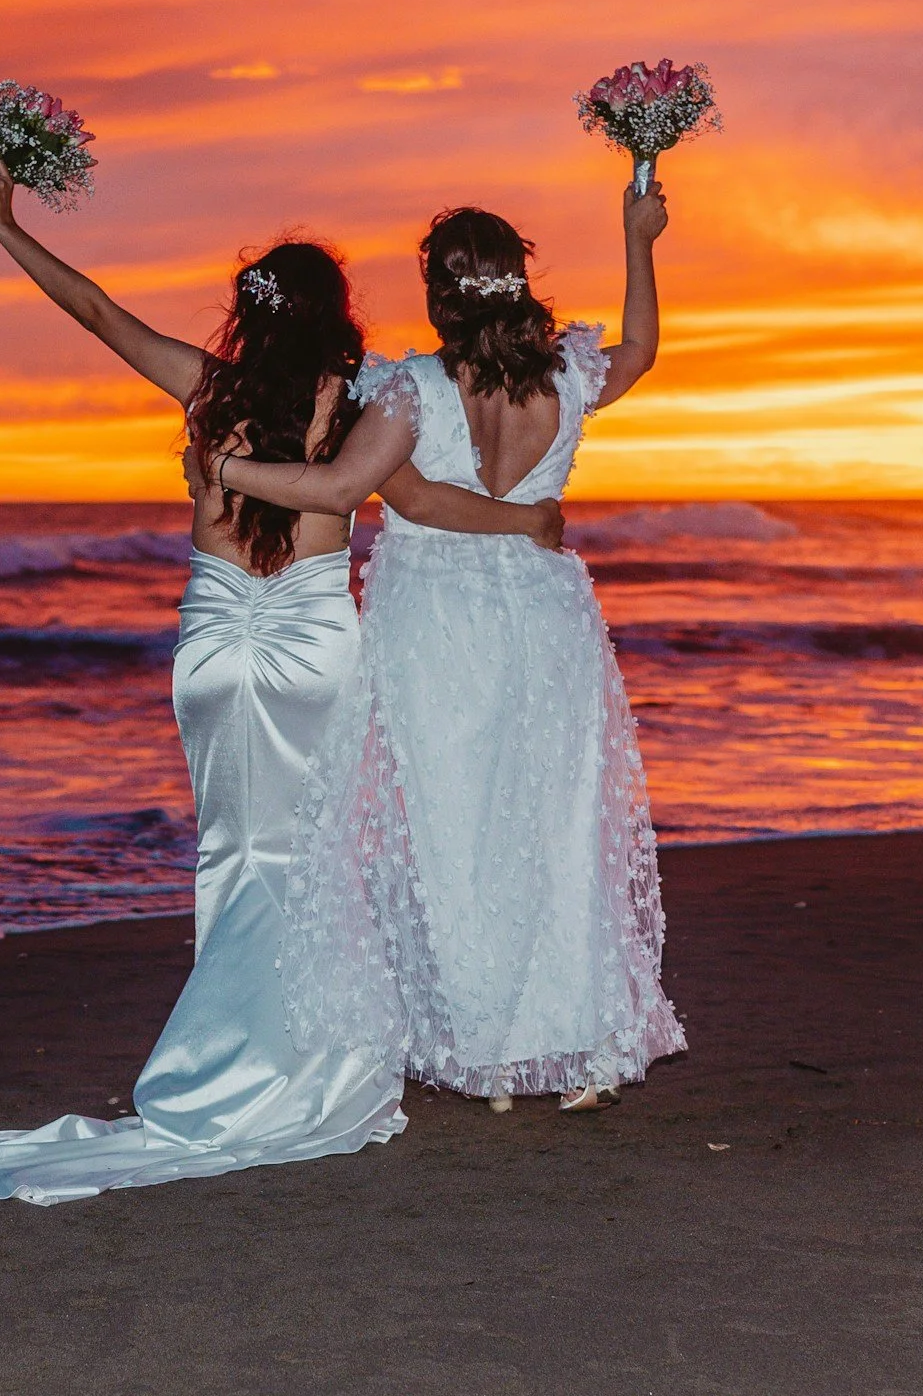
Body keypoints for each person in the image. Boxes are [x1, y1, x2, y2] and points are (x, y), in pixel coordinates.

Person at [0, 159, 559, 1205]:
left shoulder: (204, 386)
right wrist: (526, 522)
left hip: (217, 645)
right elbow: (424, 504)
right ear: (334, 322)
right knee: (319, 856)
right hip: (315, 643)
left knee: (234, 853)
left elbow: (92, 310)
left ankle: (222, 1067)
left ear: (247, 314)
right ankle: (308, 1064)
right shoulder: (358, 406)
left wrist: (0, 222)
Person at [210, 184, 685, 1114]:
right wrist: (638, 240)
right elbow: (642, 351)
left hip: (439, 623)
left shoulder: (412, 389)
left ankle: (494, 1057)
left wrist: (223, 467)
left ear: (440, 297)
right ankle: (579, 1045)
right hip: (546, 618)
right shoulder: (564, 377)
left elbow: (371, 491)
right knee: (555, 828)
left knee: (456, 834)